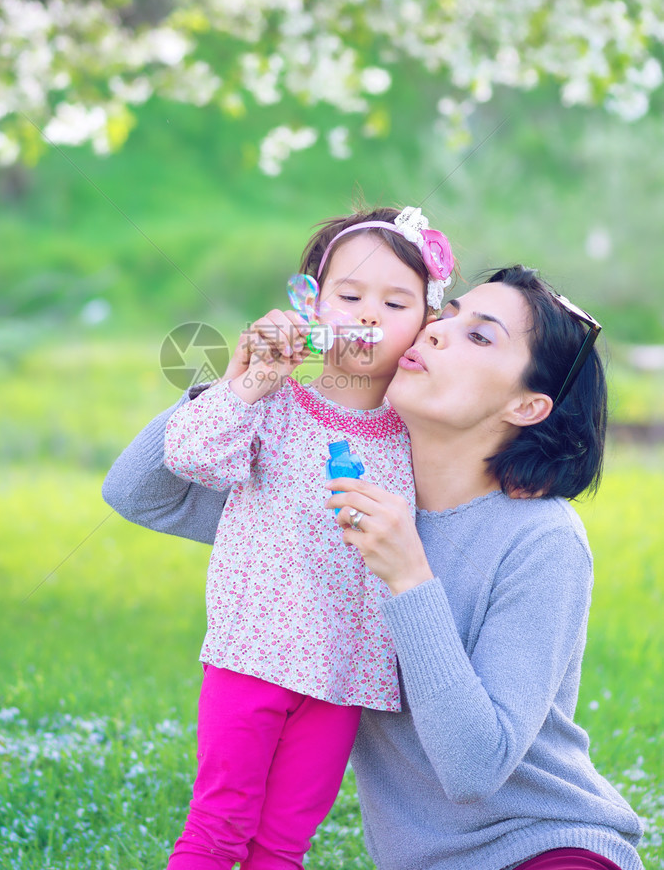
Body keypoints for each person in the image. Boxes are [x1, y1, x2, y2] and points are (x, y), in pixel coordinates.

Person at [103, 255, 645, 870]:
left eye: (479, 336)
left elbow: (474, 769)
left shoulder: (542, 540)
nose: (435, 331)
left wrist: (408, 575)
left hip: (546, 848)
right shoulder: (335, 496)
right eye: (444, 316)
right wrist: (238, 391)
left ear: (526, 407)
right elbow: (137, 492)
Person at [156, 205, 456, 868]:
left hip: (344, 674)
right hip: (251, 654)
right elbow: (190, 456)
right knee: (218, 826)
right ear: (311, 302)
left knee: (283, 846)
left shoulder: (417, 435)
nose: (368, 314)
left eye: (395, 301)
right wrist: (251, 380)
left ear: (427, 324)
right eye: (349, 295)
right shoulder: (278, 400)